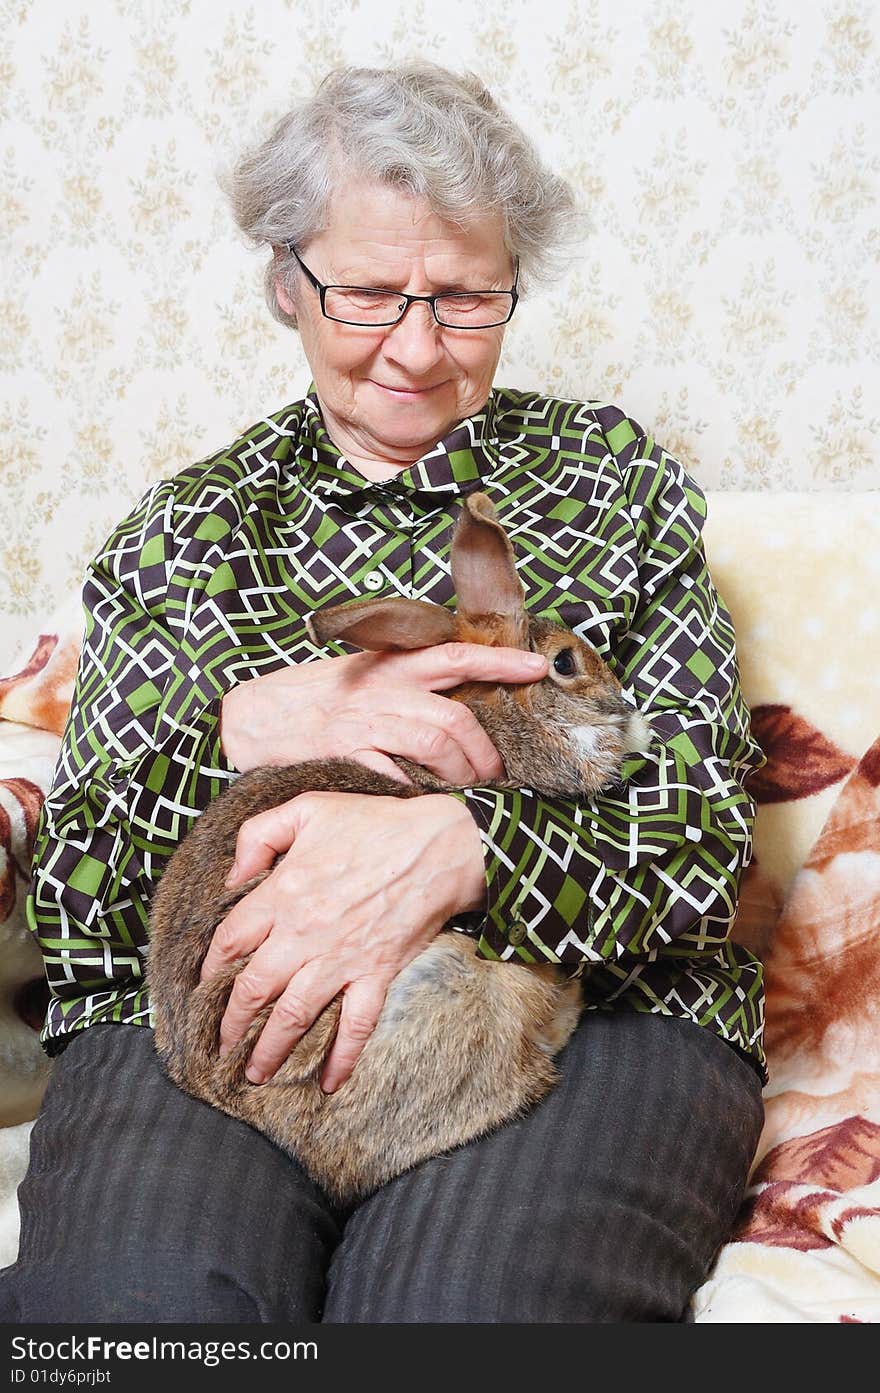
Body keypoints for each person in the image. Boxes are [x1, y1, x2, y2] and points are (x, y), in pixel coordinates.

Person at [0, 62, 766, 1324]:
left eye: (465, 298)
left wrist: (467, 848)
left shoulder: (612, 482)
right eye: (364, 295)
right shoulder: (185, 531)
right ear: (286, 283)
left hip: (597, 1009)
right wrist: (231, 734)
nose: (416, 346)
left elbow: (703, 839)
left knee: (461, 1306)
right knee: (142, 1304)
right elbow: (82, 888)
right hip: (217, 1017)